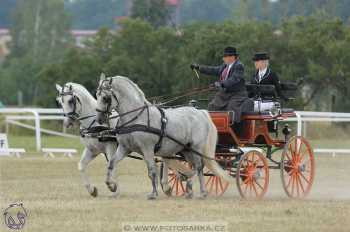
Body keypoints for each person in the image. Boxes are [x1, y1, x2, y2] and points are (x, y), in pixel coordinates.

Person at [190, 46, 252, 122]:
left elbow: (234, 79)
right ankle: (215, 125)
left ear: (232, 57)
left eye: (225, 56)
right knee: (212, 106)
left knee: (232, 108)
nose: (223, 58)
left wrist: (221, 84)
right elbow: (213, 70)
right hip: (225, 94)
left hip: (237, 95)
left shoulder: (239, 66)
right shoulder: (225, 66)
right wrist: (199, 68)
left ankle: (233, 126)